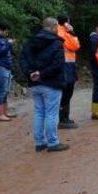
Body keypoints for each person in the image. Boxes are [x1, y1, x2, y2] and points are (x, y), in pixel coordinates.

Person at [19, 18, 69, 152]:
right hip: (51, 83)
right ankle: (53, 142)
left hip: (34, 83)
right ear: (54, 27)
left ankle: (40, 142)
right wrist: (42, 73)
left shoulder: (30, 42)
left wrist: (30, 73)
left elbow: (23, 60)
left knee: (39, 112)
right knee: (51, 113)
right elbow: (58, 64)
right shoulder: (57, 43)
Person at [57, 15, 80, 129]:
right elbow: (75, 46)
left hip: (66, 65)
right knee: (66, 93)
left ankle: (64, 118)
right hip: (66, 66)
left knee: (65, 93)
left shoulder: (59, 32)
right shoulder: (63, 33)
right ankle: (63, 119)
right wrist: (72, 32)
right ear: (66, 23)